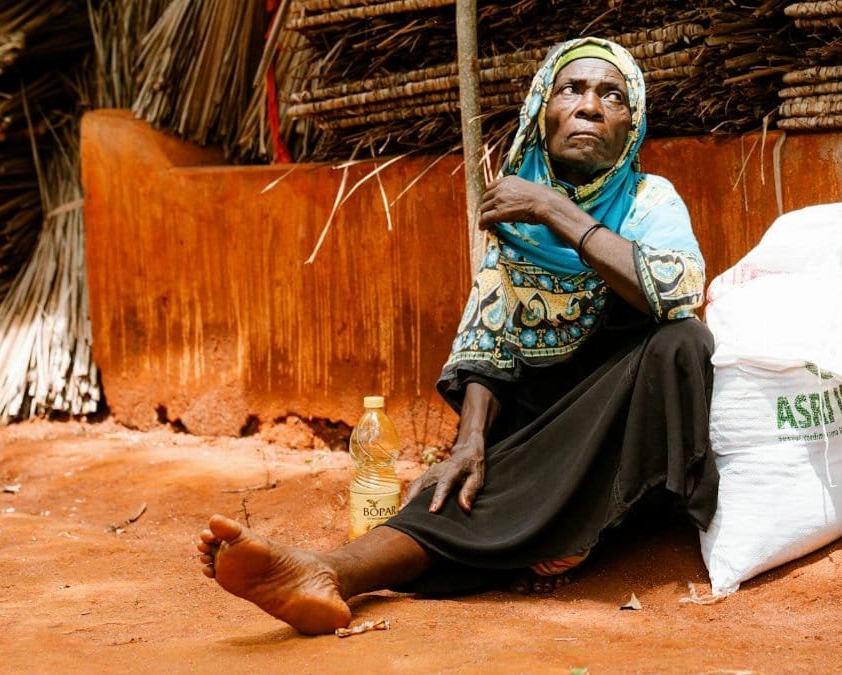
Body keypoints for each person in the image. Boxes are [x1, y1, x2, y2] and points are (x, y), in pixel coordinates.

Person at [196, 37, 718, 635]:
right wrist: (469, 442)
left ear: (631, 127)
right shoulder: (513, 220)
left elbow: (677, 291)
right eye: (572, 89)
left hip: (620, 429)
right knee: (466, 484)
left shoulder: (649, 201)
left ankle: (342, 569)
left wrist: (555, 210)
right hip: (541, 426)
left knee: (682, 341)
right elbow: (488, 335)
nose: (590, 106)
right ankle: (329, 573)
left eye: (612, 96)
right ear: (540, 113)